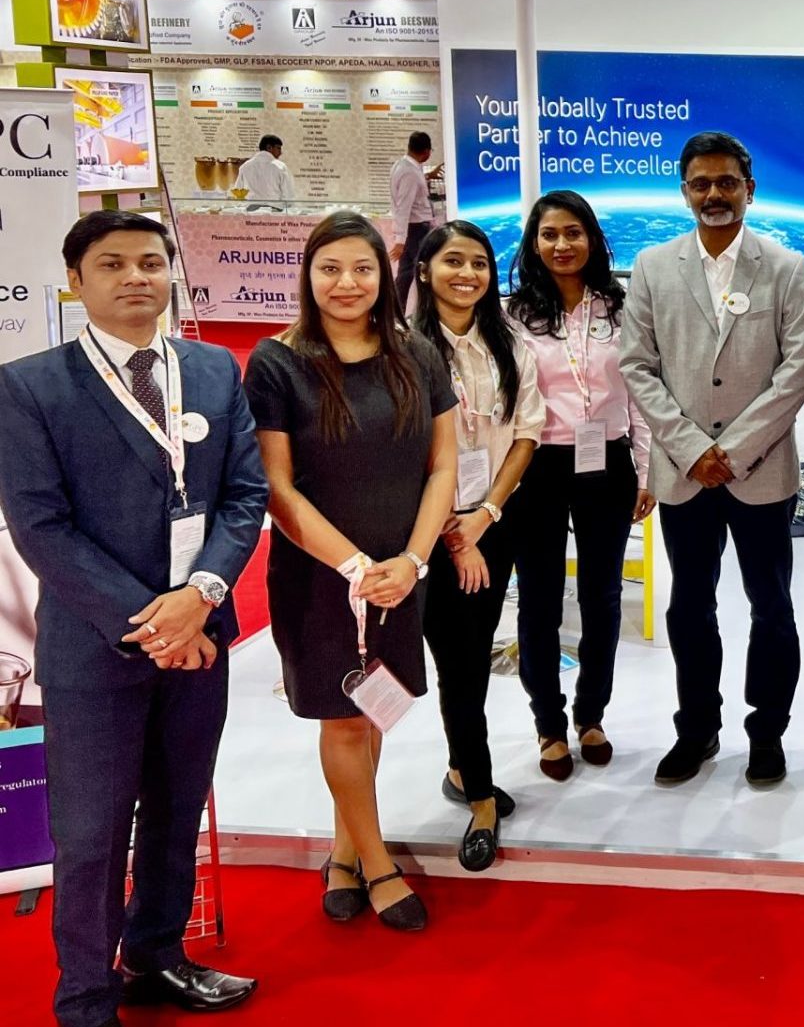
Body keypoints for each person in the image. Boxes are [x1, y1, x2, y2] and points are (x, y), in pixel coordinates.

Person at [0, 211, 267, 1026]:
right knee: (91, 834)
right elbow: (40, 526)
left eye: (150, 262)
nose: (135, 278)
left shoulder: (212, 369)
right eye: (112, 264)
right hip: (95, 649)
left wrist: (202, 598)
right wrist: (153, 624)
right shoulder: (30, 385)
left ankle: (158, 956)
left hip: (201, 641)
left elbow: (244, 495)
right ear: (75, 281)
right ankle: (86, 997)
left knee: (176, 812)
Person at [245, 210, 457, 932]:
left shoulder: (417, 352)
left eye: (362, 268)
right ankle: (377, 863)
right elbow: (277, 488)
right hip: (320, 575)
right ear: (307, 274)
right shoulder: (278, 362)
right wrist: (356, 567)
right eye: (330, 268)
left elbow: (444, 466)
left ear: (384, 276)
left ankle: (343, 849)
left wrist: (413, 561)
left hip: (401, 572)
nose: (347, 283)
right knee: (342, 721)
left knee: (375, 712)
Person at [621, 132, 804, 786]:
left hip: (761, 472)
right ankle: (697, 729)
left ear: (749, 190)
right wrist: (691, 449)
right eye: (701, 184)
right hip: (684, 475)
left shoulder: (786, 267)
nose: (714, 194)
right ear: (684, 192)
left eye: (726, 182)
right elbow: (637, 366)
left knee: (772, 606)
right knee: (689, 607)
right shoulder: (653, 266)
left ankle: (767, 734)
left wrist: (730, 452)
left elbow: (798, 370)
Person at [412, 222, 545, 872]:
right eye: (453, 262)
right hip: (426, 531)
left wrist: (487, 514)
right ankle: (482, 799)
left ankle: (462, 770)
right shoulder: (403, 348)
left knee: (470, 655)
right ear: (424, 271)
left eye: (479, 264)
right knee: (458, 662)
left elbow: (527, 433)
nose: (467, 274)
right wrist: (451, 531)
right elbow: (404, 452)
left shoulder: (509, 342)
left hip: (493, 523)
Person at [507, 191, 653, 781]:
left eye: (573, 232)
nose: (562, 244)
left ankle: (591, 714)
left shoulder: (622, 308)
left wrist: (645, 469)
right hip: (536, 464)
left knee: (601, 596)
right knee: (540, 599)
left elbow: (640, 392)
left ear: (592, 238)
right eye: (549, 234)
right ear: (534, 243)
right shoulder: (515, 315)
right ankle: (548, 722)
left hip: (607, 462)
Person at [389, 131, 435, 313]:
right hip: (416, 230)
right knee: (424, 273)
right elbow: (404, 207)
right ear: (426, 152)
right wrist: (400, 240)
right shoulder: (410, 173)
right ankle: (423, 312)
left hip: (413, 229)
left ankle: (396, 312)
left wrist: (428, 176)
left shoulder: (402, 165)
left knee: (406, 273)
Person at [233, 134, 295, 203]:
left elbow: (237, 192)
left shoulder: (245, 166)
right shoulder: (280, 167)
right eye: (278, 148)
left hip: (250, 208)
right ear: (269, 147)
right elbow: (289, 196)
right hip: (274, 208)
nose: (281, 153)